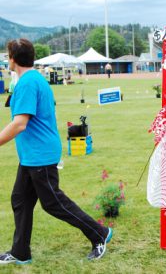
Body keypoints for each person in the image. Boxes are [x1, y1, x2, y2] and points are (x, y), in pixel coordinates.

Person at [0, 39, 112, 265]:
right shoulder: (31, 79)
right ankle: (20, 251)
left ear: (12, 58)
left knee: (53, 203)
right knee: (20, 200)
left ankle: (99, 233)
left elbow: (20, 123)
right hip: (32, 155)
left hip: (39, 155)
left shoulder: (29, 83)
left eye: (7, 55)